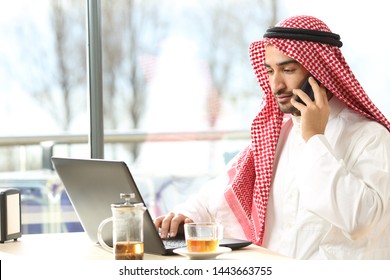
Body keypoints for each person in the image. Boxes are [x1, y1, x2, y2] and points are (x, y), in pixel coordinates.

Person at [154, 15, 390, 259]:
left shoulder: (371, 136)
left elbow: (359, 220)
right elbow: (220, 192)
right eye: (270, 71)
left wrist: (314, 139)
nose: (276, 85)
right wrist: (188, 216)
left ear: (322, 71)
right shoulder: (278, 132)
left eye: (287, 70)